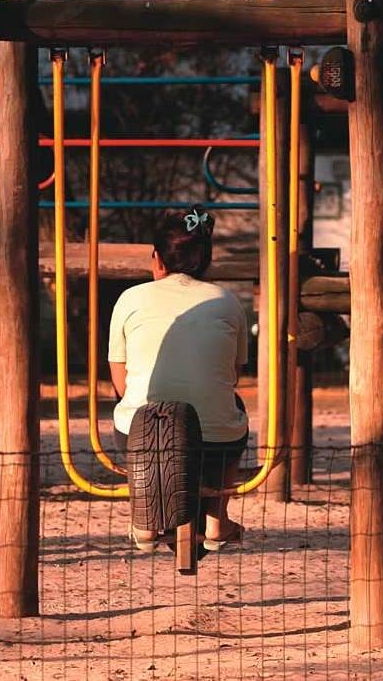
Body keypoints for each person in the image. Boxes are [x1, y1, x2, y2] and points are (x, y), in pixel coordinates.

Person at [107, 206, 249, 552]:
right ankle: (217, 517)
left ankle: (143, 519)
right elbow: (232, 374)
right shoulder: (227, 301)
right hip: (215, 436)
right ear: (204, 260)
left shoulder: (130, 298)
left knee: (128, 407)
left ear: (156, 258)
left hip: (143, 431)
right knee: (235, 406)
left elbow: (121, 382)